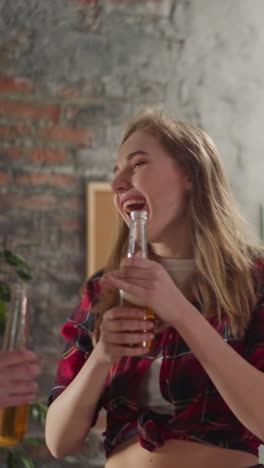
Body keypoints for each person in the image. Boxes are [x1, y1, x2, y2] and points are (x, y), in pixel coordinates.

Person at [45, 107, 264, 468]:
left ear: (191, 174)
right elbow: (58, 441)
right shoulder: (105, 289)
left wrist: (181, 314)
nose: (118, 183)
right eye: (116, 172)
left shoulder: (254, 281)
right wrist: (101, 356)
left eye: (138, 164)